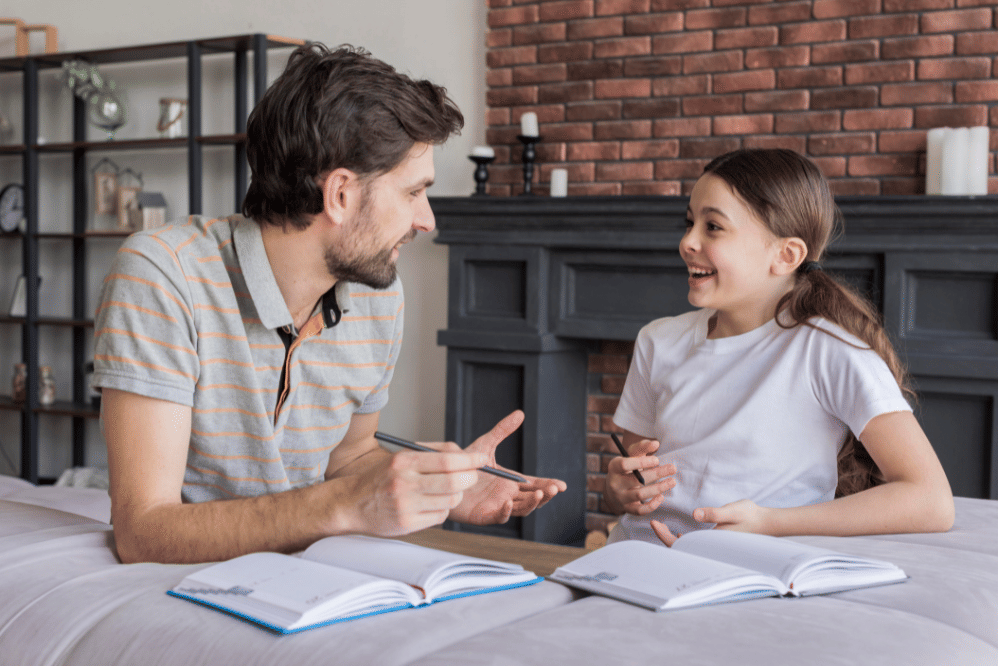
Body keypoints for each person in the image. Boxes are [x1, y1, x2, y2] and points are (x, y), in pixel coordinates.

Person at [93, 43, 565, 564]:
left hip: (307, 579)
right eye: (413, 193)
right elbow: (142, 532)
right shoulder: (164, 276)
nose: (427, 220)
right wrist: (344, 503)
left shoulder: (378, 296)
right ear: (339, 194)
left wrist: (436, 488)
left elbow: (350, 458)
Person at [603, 148, 954, 546]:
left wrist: (770, 522)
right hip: (634, 557)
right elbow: (631, 460)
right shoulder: (658, 340)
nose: (688, 242)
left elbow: (930, 499)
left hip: (747, 567)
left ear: (786, 255)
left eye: (713, 227)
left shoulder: (828, 351)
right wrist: (622, 488)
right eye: (689, 223)